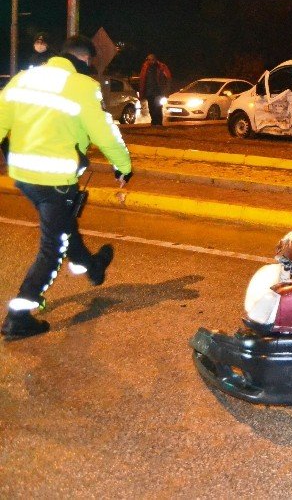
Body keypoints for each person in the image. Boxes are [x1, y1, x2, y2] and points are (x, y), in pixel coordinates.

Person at [0, 35, 133, 341]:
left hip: (23, 175)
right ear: (85, 60)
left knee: (62, 224)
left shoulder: (24, 79)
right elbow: (104, 131)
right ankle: (18, 317)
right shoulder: (81, 87)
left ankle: (92, 265)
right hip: (55, 180)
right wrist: (123, 166)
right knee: (52, 247)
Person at [138, 53, 172, 126]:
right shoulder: (145, 67)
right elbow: (142, 80)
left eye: (152, 59)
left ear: (155, 59)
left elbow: (168, 78)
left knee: (157, 107)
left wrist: (166, 90)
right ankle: (154, 122)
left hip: (159, 91)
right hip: (149, 91)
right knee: (151, 108)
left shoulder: (161, 67)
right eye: (149, 60)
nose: (151, 61)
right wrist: (142, 91)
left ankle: (158, 122)